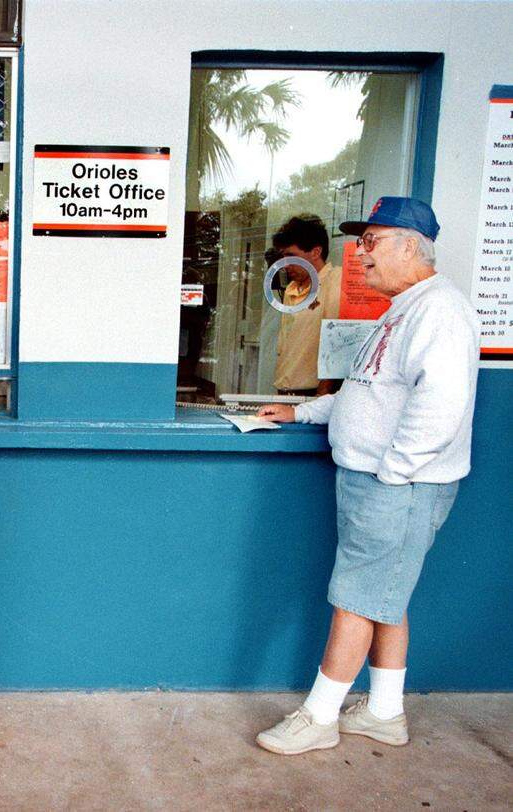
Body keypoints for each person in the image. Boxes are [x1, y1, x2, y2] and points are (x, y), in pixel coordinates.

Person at [254, 197, 480, 755]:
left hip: (397, 485)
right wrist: (303, 411)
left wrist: (394, 474)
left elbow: (442, 406)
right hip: (382, 480)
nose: (359, 254)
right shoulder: (404, 306)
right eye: (359, 242)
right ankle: (383, 713)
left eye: (371, 241)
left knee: (356, 597)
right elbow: (367, 393)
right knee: (385, 595)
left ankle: (319, 716)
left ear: (411, 246)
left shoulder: (440, 310)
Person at [270, 214, 342, 396]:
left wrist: (323, 391)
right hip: (285, 389)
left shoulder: (336, 281)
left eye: (291, 256)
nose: (285, 265)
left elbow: (336, 342)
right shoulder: (291, 289)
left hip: (314, 393)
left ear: (316, 252)